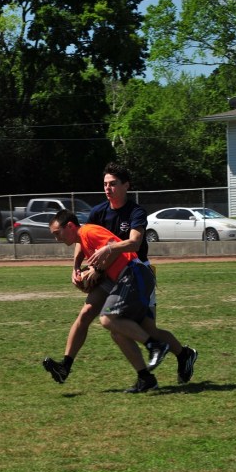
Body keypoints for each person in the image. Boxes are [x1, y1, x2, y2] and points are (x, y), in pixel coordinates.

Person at [43, 163, 197, 386]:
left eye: (113, 184)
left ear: (126, 185)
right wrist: (76, 267)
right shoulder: (98, 212)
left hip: (136, 271)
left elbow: (133, 244)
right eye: (105, 184)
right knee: (88, 314)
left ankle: (182, 354)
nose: (108, 188)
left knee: (141, 328)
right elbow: (81, 240)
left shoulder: (136, 212)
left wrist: (105, 255)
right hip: (108, 273)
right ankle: (65, 366)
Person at [47, 209, 180, 393]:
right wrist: (82, 271)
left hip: (134, 274)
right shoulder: (83, 238)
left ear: (69, 226)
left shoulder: (88, 231)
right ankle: (145, 378)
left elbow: (114, 246)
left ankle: (157, 346)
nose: (57, 239)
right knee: (116, 330)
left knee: (109, 319)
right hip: (122, 277)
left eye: (57, 233)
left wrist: (98, 270)